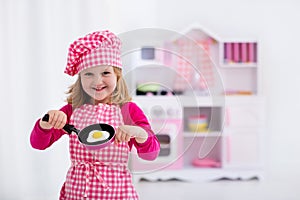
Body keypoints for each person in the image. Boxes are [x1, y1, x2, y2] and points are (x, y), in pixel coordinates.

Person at [30, 30, 160, 200]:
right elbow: (38, 144)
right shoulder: (71, 111)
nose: (97, 81)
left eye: (105, 73)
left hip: (117, 192)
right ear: (80, 78)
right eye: (88, 74)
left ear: (117, 75)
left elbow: (151, 155)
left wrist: (140, 134)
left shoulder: (128, 110)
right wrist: (45, 124)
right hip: (77, 191)